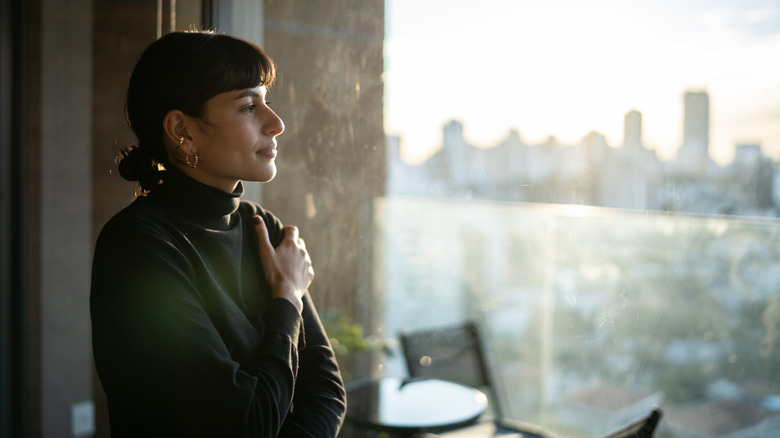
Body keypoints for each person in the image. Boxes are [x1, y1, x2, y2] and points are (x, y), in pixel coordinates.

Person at [90, 31, 347, 437]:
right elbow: (244, 426)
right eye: (249, 106)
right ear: (182, 130)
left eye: (267, 101)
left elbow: (327, 391)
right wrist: (287, 299)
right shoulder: (137, 247)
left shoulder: (264, 227)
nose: (276, 123)